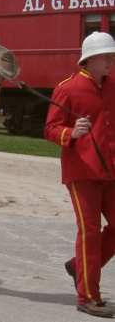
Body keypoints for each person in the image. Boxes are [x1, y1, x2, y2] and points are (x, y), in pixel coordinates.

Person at [45, 31, 115, 318]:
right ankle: (88, 297)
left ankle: (80, 266)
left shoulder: (113, 86)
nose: (111, 60)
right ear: (90, 60)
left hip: (110, 170)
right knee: (89, 232)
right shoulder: (68, 89)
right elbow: (50, 128)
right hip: (81, 171)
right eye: (107, 56)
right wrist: (71, 133)